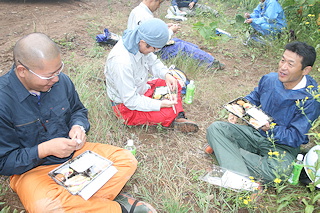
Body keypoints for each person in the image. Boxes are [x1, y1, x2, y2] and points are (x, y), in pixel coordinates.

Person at [0, 32, 156, 213]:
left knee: (126, 160)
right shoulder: (3, 101)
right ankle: (117, 208)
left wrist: (78, 126)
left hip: (74, 155)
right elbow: (4, 162)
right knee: (46, 208)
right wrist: (45, 149)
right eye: (49, 76)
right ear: (22, 71)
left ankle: (79, 201)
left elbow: (78, 110)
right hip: (32, 170)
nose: (56, 79)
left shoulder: (61, 82)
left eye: (59, 71)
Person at [205, 41, 320, 183]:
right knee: (216, 129)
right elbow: (253, 98)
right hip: (254, 133)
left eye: (290, 64)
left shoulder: (311, 99)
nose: (283, 67)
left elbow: (295, 137)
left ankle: (225, 154)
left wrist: (271, 129)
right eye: (282, 60)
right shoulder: (270, 79)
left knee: (278, 172)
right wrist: (238, 109)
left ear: (306, 70)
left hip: (281, 146)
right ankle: (240, 176)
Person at [105, 18, 199, 133]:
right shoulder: (121, 62)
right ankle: (175, 116)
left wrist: (166, 75)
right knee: (167, 112)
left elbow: (153, 62)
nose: (154, 51)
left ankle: (175, 113)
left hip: (142, 88)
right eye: (154, 49)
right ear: (143, 42)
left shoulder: (139, 43)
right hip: (126, 107)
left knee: (175, 82)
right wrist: (160, 104)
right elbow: (130, 101)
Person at [128, 0, 224, 70]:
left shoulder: (138, 11)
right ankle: (212, 63)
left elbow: (150, 31)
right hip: (151, 51)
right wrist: (170, 31)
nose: (158, 6)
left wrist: (164, 27)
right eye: (159, 3)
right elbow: (153, 42)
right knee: (180, 46)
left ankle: (203, 55)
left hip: (148, 47)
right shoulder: (144, 16)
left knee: (178, 41)